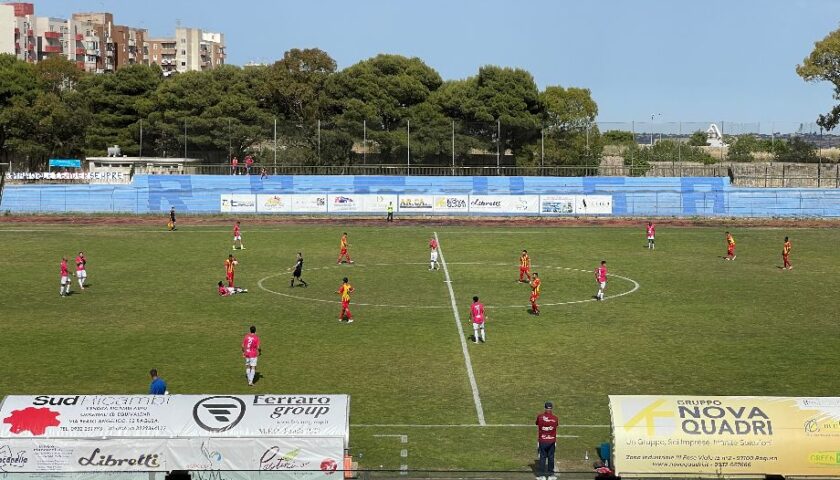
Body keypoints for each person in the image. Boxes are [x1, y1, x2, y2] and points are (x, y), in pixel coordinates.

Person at [535, 401, 558, 480]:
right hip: (552, 441)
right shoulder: (555, 418)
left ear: (545, 408)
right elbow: (556, 425)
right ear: (551, 408)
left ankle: (542, 475)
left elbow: (537, 423)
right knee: (551, 457)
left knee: (542, 457)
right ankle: (551, 474)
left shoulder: (540, 417)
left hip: (542, 440)